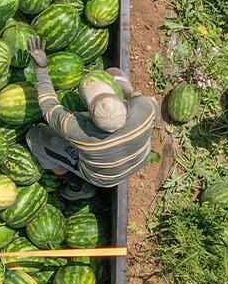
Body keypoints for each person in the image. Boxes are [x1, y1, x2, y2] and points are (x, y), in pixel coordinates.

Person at [24, 35, 156, 200]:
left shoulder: (81, 133)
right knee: (115, 73)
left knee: (38, 137)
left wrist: (41, 69)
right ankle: (121, 86)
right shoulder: (145, 108)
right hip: (140, 160)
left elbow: (49, 107)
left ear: (88, 115)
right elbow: (136, 97)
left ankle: (77, 185)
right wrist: (124, 89)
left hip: (103, 178)